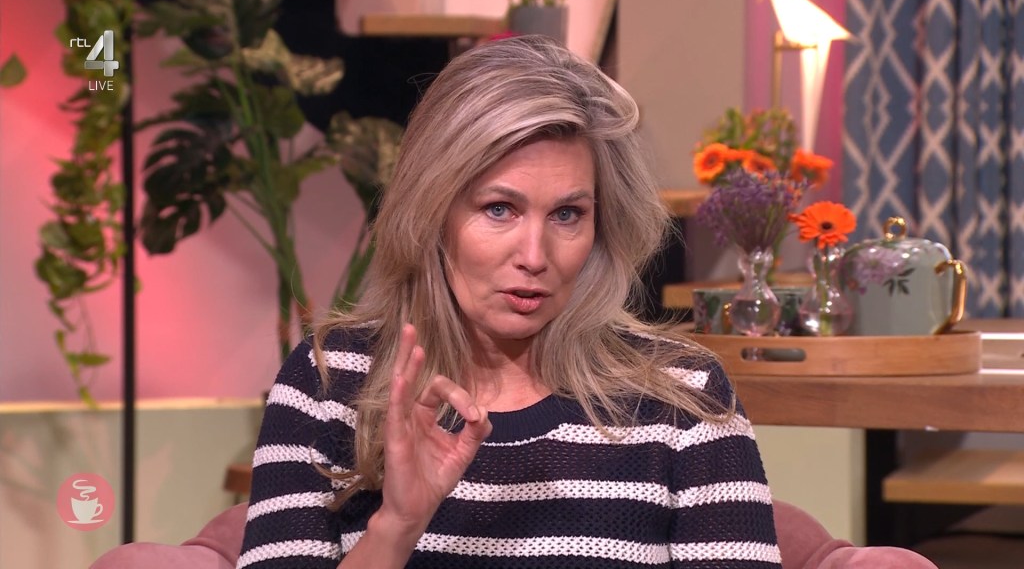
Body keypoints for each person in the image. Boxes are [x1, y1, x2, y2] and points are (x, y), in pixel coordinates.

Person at [236, 35, 782, 569]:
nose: (535, 256)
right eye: (499, 209)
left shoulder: (683, 394)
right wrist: (396, 526)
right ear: (433, 212)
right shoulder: (327, 383)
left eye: (567, 214)